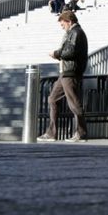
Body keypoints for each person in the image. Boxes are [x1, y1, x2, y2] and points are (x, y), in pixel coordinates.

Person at [39, 10, 88, 142]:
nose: (62, 27)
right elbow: (68, 51)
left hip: (70, 72)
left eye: (63, 24)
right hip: (65, 72)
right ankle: (51, 133)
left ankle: (81, 133)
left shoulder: (76, 33)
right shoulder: (73, 33)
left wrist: (56, 53)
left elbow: (70, 52)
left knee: (74, 103)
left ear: (69, 21)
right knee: (52, 99)